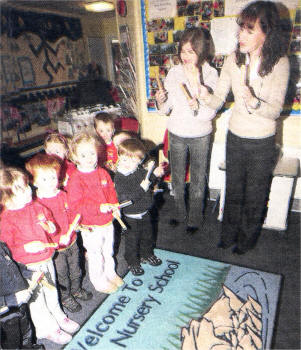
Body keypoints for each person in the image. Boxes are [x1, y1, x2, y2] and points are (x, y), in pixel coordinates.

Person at [198, 1, 290, 254]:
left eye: (250, 30)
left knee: (255, 194)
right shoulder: (233, 59)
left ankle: (247, 240)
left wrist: (254, 102)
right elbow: (218, 99)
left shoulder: (280, 63)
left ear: (267, 33)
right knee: (234, 189)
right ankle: (227, 235)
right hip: (236, 136)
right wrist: (205, 95)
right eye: (241, 29)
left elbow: (275, 111)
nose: (241, 35)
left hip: (262, 141)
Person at [0, 167, 79, 345]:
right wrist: (25, 248)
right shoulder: (6, 220)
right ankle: (46, 329)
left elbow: (48, 218)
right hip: (28, 268)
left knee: (52, 290)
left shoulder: (35, 205)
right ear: (6, 198)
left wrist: (51, 226)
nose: (29, 190)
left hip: (46, 258)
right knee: (37, 300)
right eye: (22, 189)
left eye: (27, 186)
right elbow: (6, 253)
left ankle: (58, 314)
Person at [155, 27, 218, 234]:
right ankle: (180, 213)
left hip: (200, 135)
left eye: (191, 52)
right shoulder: (174, 72)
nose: (185, 56)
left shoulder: (210, 74)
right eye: (183, 51)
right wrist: (160, 101)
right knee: (177, 177)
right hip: (176, 132)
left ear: (201, 51)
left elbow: (210, 113)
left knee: (198, 179)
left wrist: (197, 104)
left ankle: (194, 219)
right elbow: (166, 109)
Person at [25, 153, 93, 313]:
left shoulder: (63, 195)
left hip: (72, 241)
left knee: (76, 268)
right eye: (44, 179)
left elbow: (72, 213)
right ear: (34, 182)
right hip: (56, 249)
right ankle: (65, 296)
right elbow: (40, 231)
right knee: (62, 274)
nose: (50, 183)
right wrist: (56, 237)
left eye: (53, 177)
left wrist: (77, 225)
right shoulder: (35, 205)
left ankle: (76, 289)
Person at [66, 132, 124, 293]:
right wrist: (98, 208)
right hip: (90, 225)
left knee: (108, 250)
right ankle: (98, 280)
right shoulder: (76, 179)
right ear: (75, 157)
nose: (89, 157)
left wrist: (115, 208)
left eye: (92, 153)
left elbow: (111, 192)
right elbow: (75, 206)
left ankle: (110, 273)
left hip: (107, 221)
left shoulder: (102, 172)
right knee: (95, 254)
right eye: (83, 155)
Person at [114, 138, 165, 276]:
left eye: (132, 161)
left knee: (147, 236)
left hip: (145, 212)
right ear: (119, 157)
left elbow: (148, 180)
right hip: (131, 216)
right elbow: (126, 199)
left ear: (139, 162)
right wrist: (142, 189)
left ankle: (147, 254)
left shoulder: (138, 171)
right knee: (132, 241)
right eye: (124, 159)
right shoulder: (119, 178)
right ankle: (132, 262)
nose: (126, 164)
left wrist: (155, 174)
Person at [0, 240, 44, 349]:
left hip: (20, 298)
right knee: (12, 339)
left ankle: (28, 346)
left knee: (26, 328)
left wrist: (30, 274)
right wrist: (13, 299)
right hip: (5, 312)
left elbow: (13, 265)